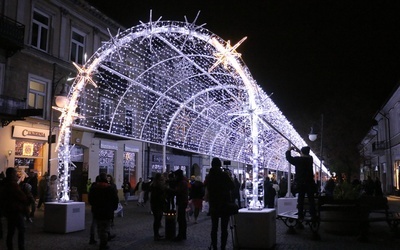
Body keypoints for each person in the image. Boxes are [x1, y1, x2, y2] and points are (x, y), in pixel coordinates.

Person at [205, 157, 235, 250]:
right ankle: (222, 247)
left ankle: (214, 247)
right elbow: (232, 186)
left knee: (214, 228)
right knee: (224, 228)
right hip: (224, 204)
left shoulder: (209, 176)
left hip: (214, 204)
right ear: (220, 165)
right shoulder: (223, 175)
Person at [89, 172, 119, 250]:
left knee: (99, 226)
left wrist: (94, 205)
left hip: (97, 210)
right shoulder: (110, 188)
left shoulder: (94, 188)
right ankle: (103, 244)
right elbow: (115, 199)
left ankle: (101, 240)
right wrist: (114, 208)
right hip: (107, 211)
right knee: (105, 227)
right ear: (106, 179)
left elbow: (90, 199)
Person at [285, 146, 317, 221]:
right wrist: (300, 151)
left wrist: (289, 150)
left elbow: (289, 158)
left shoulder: (298, 160)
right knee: (311, 199)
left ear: (302, 153)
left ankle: (300, 215)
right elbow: (305, 155)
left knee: (300, 199)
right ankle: (313, 215)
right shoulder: (310, 159)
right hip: (309, 182)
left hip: (301, 183)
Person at [1, 167, 28, 250]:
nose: (16, 175)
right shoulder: (12, 184)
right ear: (12, 174)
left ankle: (10, 247)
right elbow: (22, 197)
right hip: (16, 210)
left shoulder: (4, 183)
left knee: (10, 231)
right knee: (21, 229)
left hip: (9, 210)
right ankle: (21, 247)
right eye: (15, 173)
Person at [149, 173, 167, 241]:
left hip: (156, 203)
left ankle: (157, 234)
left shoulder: (154, 184)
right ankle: (156, 235)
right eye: (161, 177)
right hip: (157, 204)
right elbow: (161, 192)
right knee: (157, 220)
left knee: (157, 220)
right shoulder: (157, 185)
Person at [173, 169, 188, 241]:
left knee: (181, 219)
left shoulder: (181, 183)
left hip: (182, 201)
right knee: (182, 219)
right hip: (183, 201)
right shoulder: (184, 182)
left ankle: (181, 235)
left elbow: (178, 191)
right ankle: (183, 234)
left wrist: (170, 190)